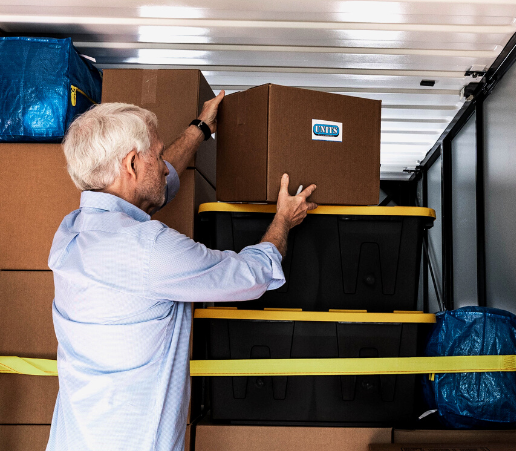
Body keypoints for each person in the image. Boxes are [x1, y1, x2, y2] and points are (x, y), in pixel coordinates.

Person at [46, 91, 317, 451]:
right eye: (156, 156)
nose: (162, 165)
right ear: (130, 165)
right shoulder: (149, 250)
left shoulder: (70, 234)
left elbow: (153, 188)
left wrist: (200, 128)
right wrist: (284, 220)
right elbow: (251, 277)